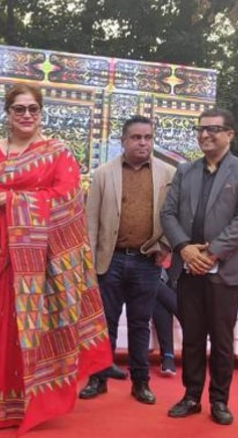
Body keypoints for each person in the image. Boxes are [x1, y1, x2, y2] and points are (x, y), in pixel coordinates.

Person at [0, 83, 111, 433]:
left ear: (41, 113)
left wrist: (13, 201)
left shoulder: (57, 153)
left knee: (28, 329)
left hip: (39, 264)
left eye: (33, 109)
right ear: (8, 113)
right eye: (19, 109)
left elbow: (68, 199)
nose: (26, 115)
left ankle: (28, 402)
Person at [160, 108, 238, 426]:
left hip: (225, 270)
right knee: (192, 337)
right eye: (201, 129)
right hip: (188, 267)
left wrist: (212, 253)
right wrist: (185, 248)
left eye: (213, 129)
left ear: (230, 134)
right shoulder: (185, 171)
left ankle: (219, 400)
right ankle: (191, 396)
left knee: (221, 340)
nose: (205, 134)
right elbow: (167, 214)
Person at [80, 115, 176, 405]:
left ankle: (141, 382)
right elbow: (91, 222)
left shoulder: (168, 174)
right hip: (110, 260)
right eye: (136, 137)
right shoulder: (103, 174)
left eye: (147, 137)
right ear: (123, 141)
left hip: (147, 261)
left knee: (140, 323)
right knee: (104, 324)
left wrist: (165, 246)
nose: (142, 143)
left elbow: (175, 217)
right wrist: (89, 263)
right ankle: (98, 379)